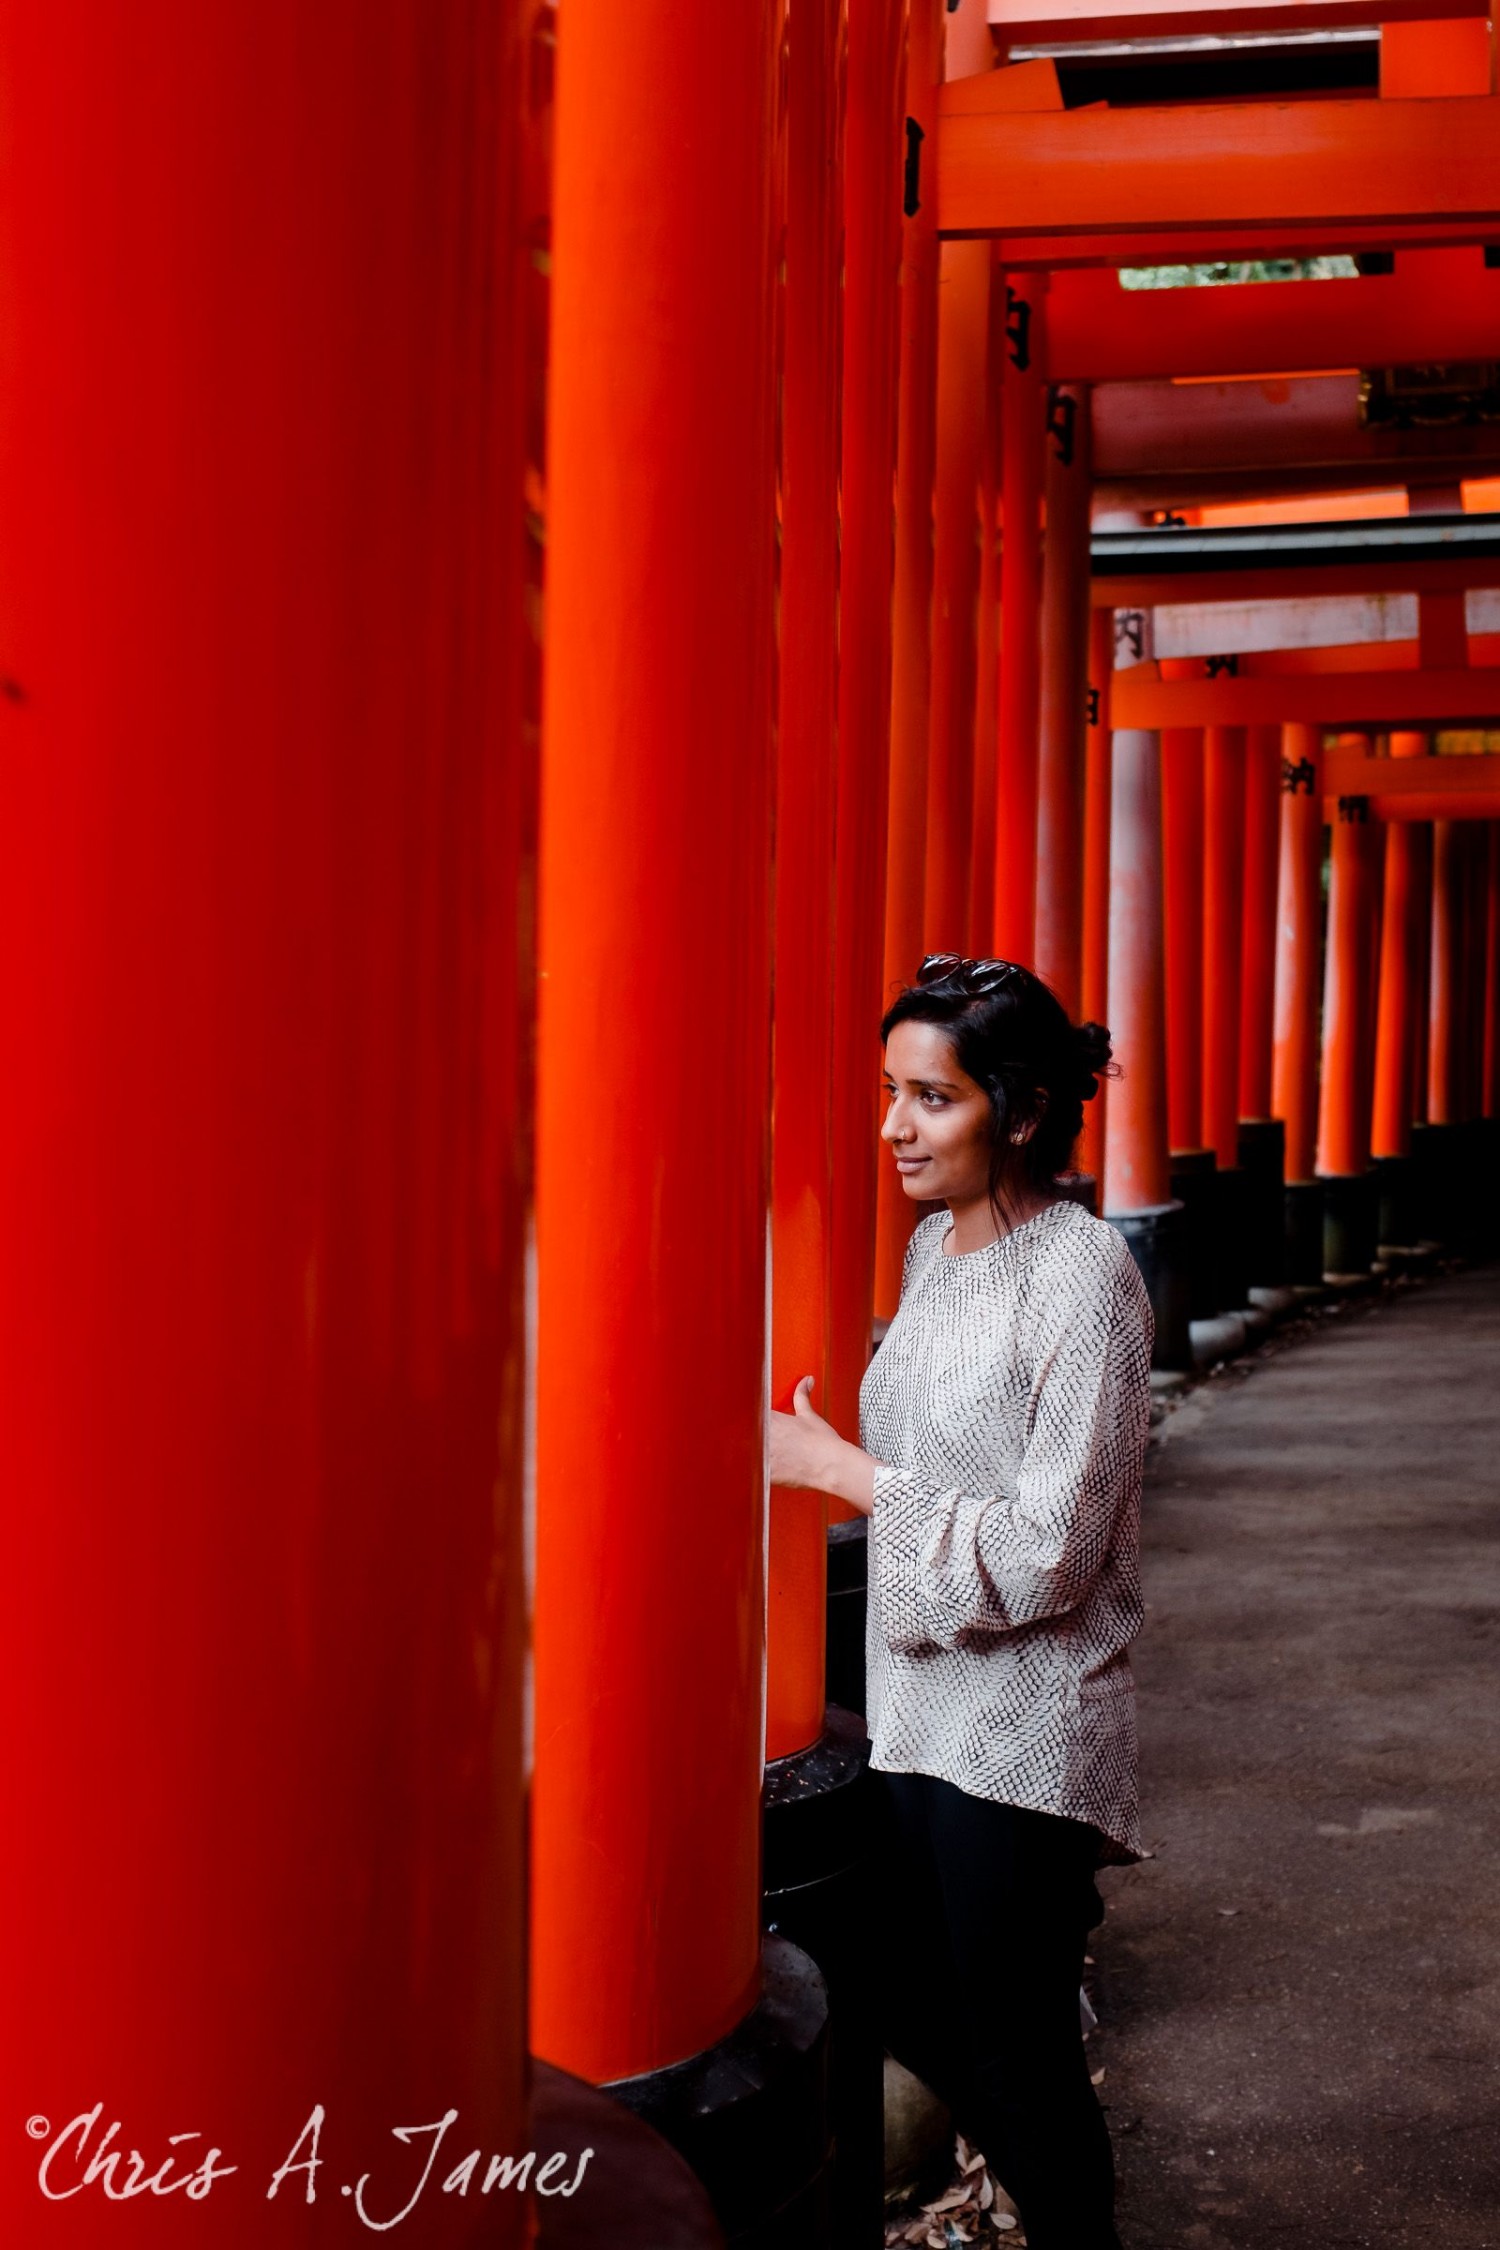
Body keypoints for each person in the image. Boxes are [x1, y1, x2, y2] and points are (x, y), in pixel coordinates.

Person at [768, 953, 1153, 2250]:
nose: (893, 1127)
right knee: (895, 1988)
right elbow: (942, 1465)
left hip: (1028, 1736)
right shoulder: (936, 1249)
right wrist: (862, 1463)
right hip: (920, 1715)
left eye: (929, 1099)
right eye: (891, 1092)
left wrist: (853, 1475)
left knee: (1027, 2064)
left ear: (1024, 1109)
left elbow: (1054, 1549)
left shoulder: (1087, 1276)